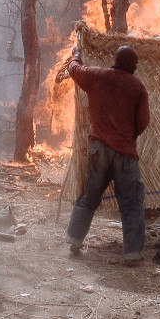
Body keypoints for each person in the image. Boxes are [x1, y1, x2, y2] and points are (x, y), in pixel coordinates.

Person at [63, 44, 151, 265]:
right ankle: (132, 253)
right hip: (125, 153)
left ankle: (74, 239)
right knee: (131, 203)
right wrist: (127, 136)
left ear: (116, 60)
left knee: (90, 196)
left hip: (98, 149)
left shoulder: (97, 76)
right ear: (132, 65)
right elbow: (143, 123)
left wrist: (76, 55)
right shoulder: (138, 87)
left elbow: (74, 69)